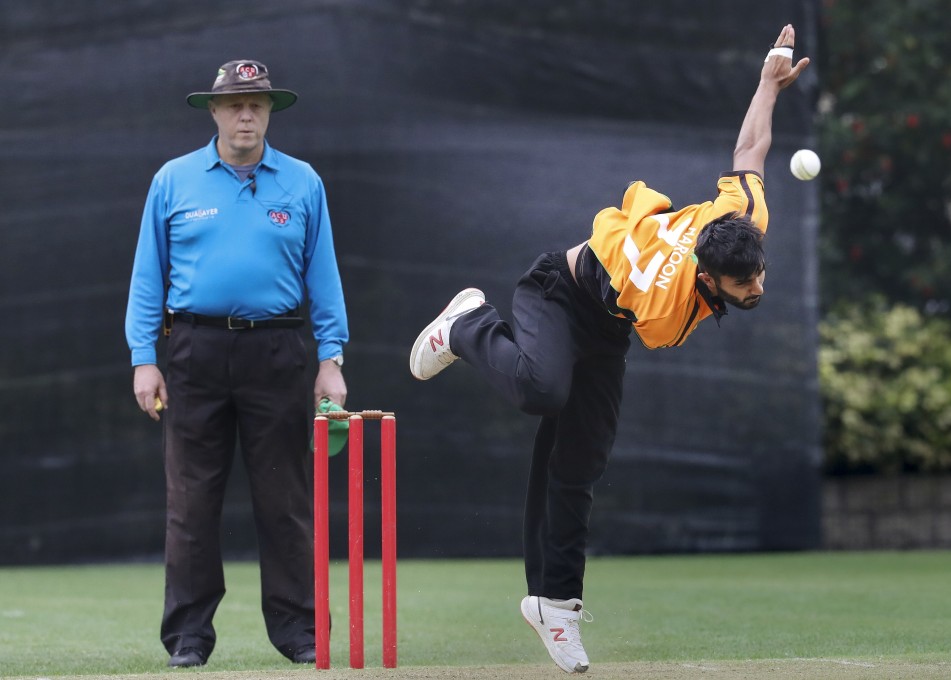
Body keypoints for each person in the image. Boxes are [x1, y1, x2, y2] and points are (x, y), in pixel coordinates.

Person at [409, 25, 810, 675]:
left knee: (579, 466)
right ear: (708, 279)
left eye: (759, 274)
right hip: (563, 289)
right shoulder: (665, 315)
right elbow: (627, 302)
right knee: (544, 392)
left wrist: (767, 84)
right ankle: (465, 325)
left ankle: (554, 605)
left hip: (606, 323)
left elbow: (751, 149)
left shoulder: (740, 219)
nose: (758, 286)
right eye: (745, 284)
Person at [125, 60, 349, 668]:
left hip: (276, 352)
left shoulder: (302, 183)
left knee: (285, 499)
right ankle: (190, 638)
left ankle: (301, 633)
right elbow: (148, 276)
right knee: (191, 503)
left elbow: (322, 276)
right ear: (214, 111)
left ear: (271, 110)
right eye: (234, 104)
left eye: (257, 103)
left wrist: (331, 358)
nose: (245, 114)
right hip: (193, 353)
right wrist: (145, 359)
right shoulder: (173, 180)